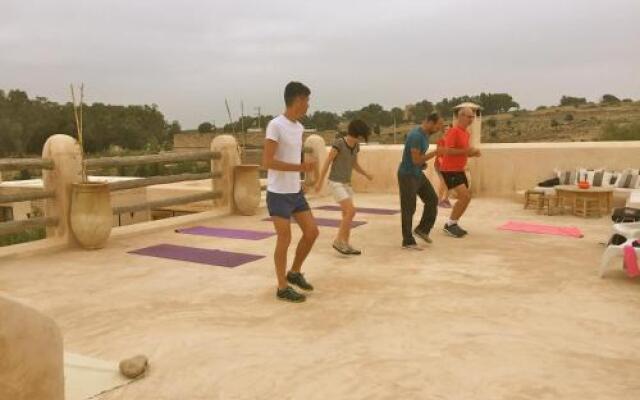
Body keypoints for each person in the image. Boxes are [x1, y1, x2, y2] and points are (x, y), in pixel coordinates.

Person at [263, 81, 319, 303]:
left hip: (295, 192)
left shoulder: (299, 128)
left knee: (312, 232)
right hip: (278, 193)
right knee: (284, 238)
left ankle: (294, 272)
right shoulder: (275, 125)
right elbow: (267, 162)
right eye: (306, 100)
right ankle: (281, 286)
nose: (308, 105)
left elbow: (296, 156)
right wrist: (300, 168)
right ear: (297, 100)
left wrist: (302, 177)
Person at [315, 119, 373, 255]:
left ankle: (345, 244)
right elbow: (327, 162)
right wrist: (319, 182)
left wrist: (365, 174)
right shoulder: (339, 144)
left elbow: (354, 165)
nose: (362, 139)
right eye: (362, 136)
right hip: (335, 183)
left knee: (346, 214)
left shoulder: (356, 147)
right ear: (358, 134)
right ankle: (338, 241)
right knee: (351, 211)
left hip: (346, 184)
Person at [397, 112, 444, 250]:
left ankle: (422, 229)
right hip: (407, 175)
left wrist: (423, 163)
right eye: (438, 125)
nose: (439, 128)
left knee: (432, 199)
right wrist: (435, 153)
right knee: (409, 208)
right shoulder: (416, 136)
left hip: (417, 174)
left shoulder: (425, 135)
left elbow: (418, 159)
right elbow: (416, 160)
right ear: (430, 122)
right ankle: (408, 241)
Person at [438, 107, 482, 238]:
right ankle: (450, 225)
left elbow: (462, 153)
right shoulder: (453, 132)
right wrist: (467, 151)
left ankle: (452, 223)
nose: (471, 120)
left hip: (459, 169)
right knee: (465, 196)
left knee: (466, 197)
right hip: (449, 170)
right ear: (461, 116)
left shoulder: (466, 133)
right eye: (469, 117)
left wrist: (472, 154)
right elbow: (448, 151)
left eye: (473, 117)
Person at [434, 132, 452, 208]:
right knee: (444, 182)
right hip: (440, 166)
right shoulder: (440, 141)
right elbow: (439, 156)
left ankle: (445, 200)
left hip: (449, 166)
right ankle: (439, 200)